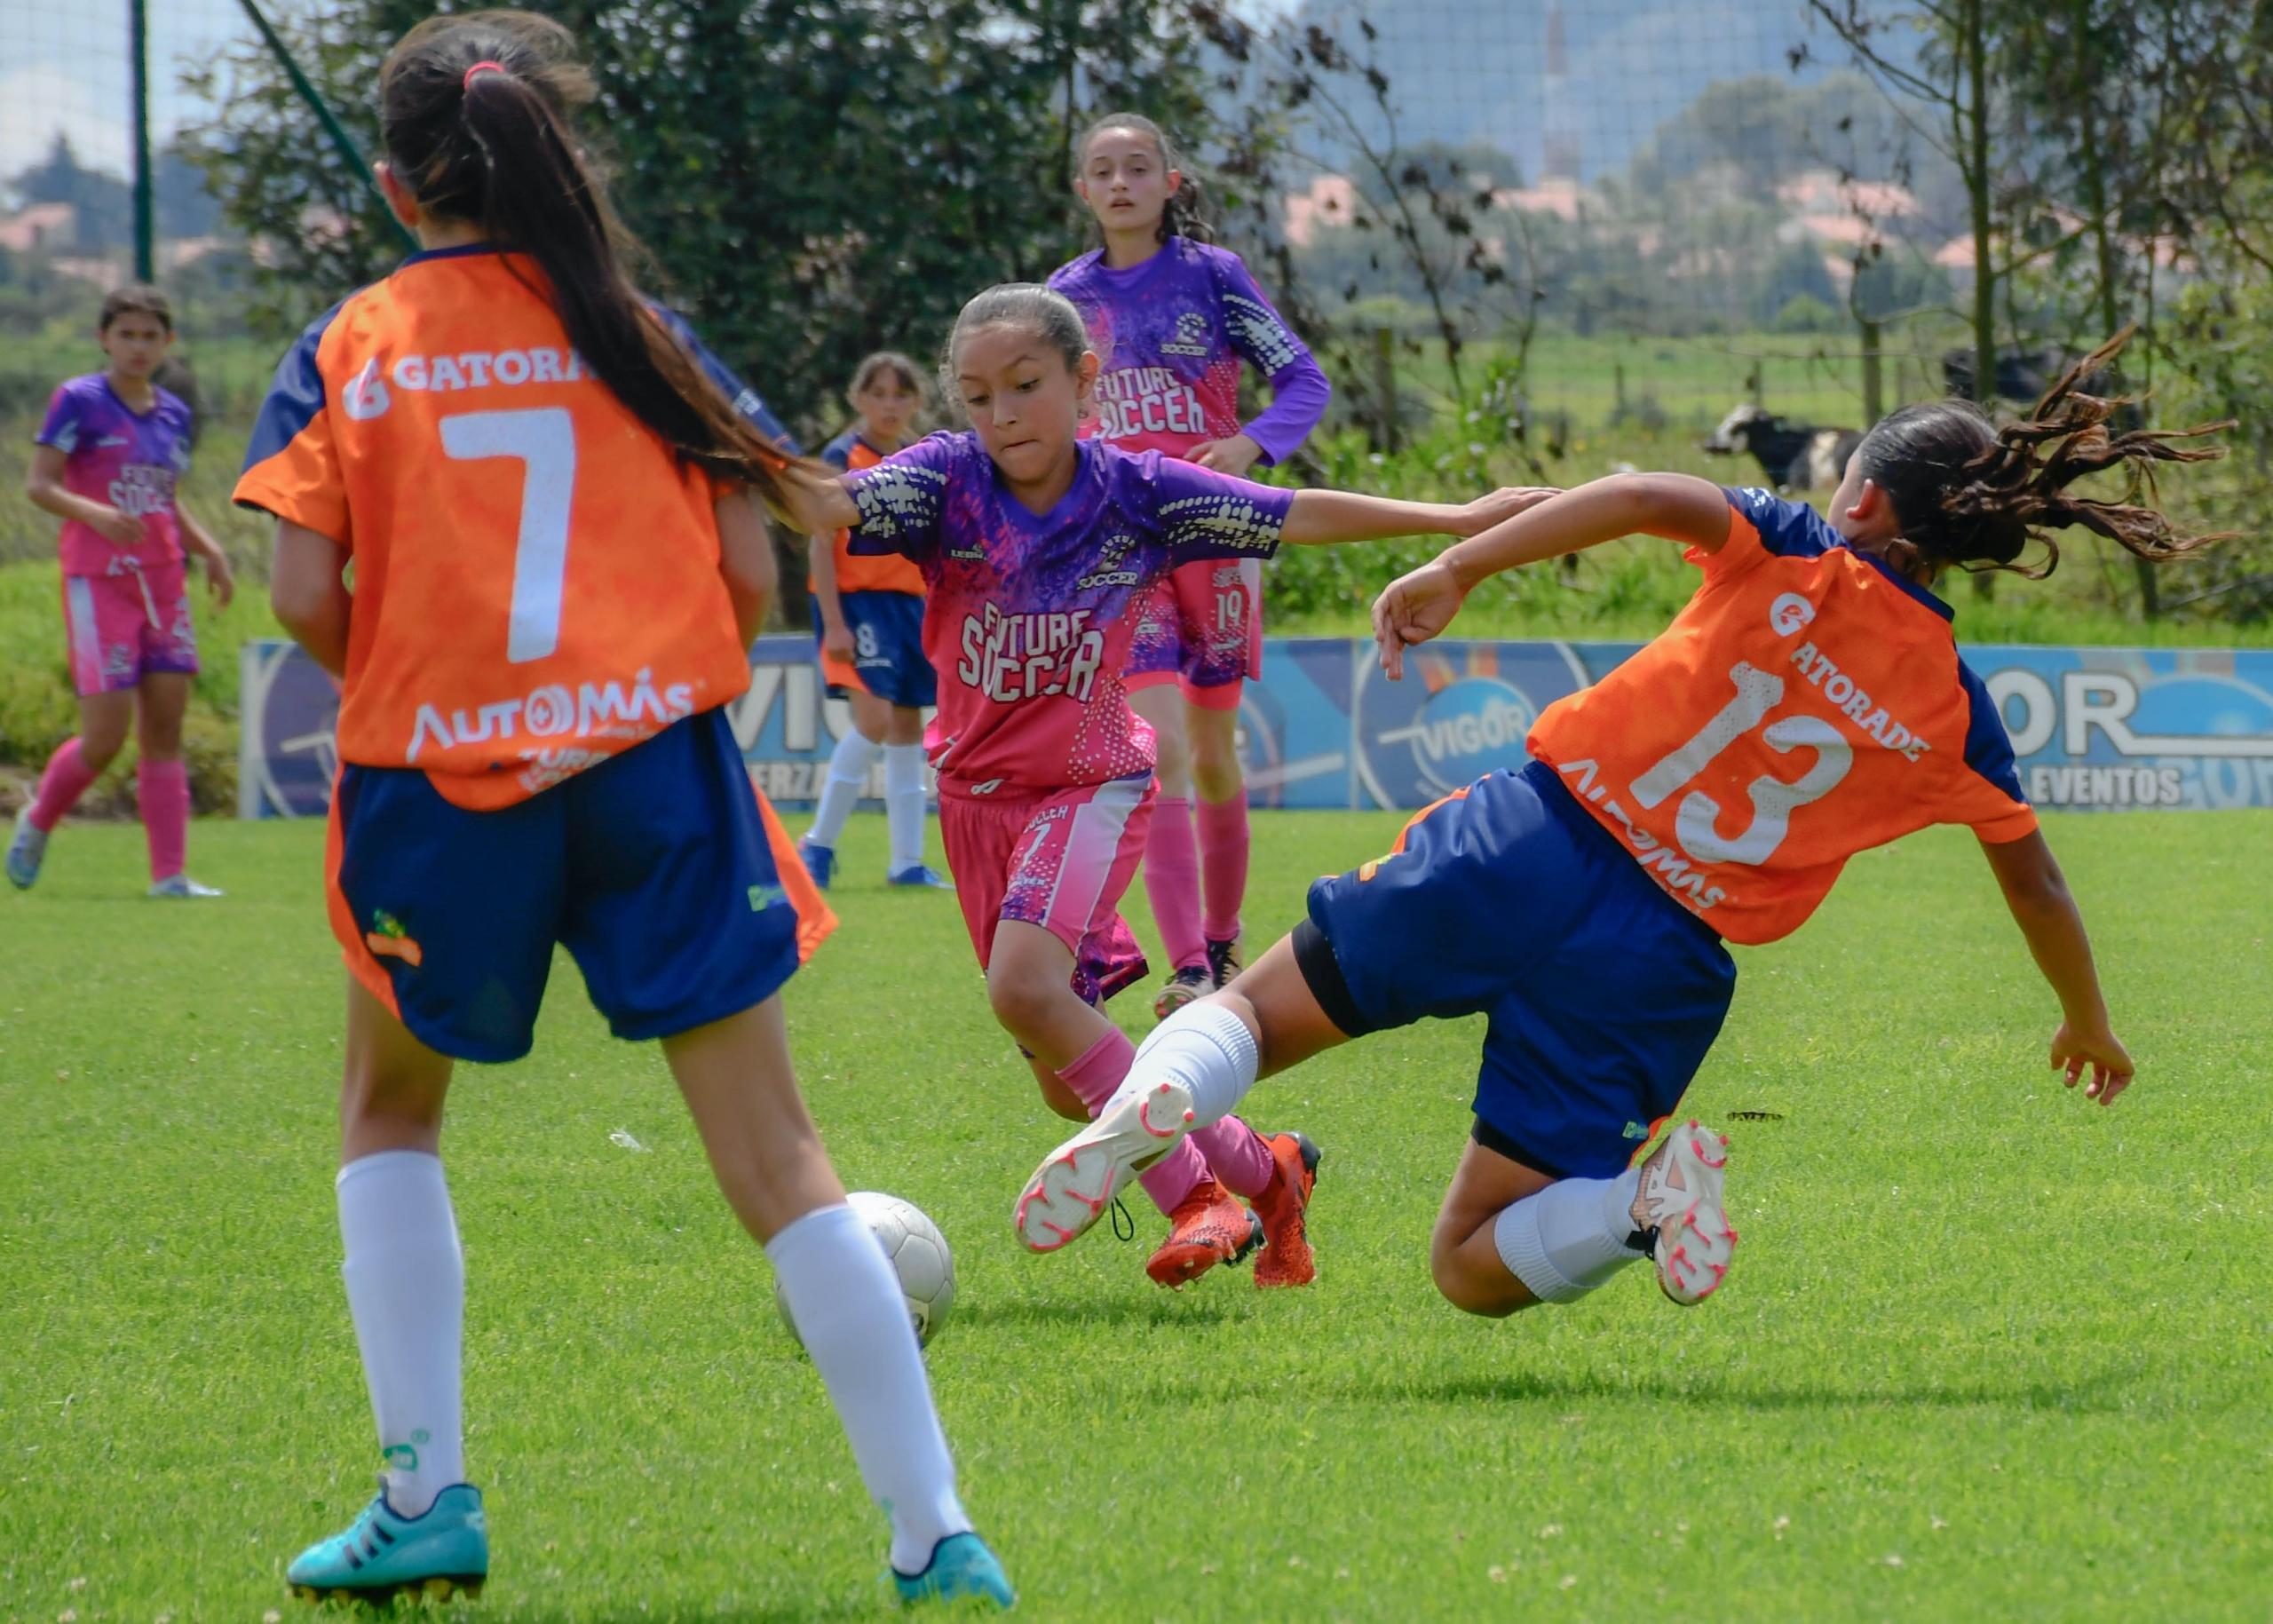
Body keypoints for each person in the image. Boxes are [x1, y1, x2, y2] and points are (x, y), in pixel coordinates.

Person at [231, 12, 1009, 1607]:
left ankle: (426, 1492)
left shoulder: (353, 339)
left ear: (395, 184)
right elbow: (745, 570)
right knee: (783, 1154)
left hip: (438, 782)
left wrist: (436, 681)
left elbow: (303, 583)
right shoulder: (633, 328)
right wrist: (641, 694)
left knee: (392, 1112)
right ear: (550, 157)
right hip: (656, 764)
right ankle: (936, 1534)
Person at [1014, 337, 2224, 1324]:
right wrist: (2087, 1020)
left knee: (1247, 1020)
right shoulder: (1958, 713)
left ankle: (1144, 1114)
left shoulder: (1796, 545)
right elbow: (2038, 886)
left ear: (1855, 496)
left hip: (1537, 838)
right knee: (1468, 1265)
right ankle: (1638, 1211)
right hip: (1663, 961)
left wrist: (1464, 567)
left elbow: (1645, 495)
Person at [778, 282, 1545, 1292]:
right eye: (974, 395)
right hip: (974, 798)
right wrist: (694, 433)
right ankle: (1265, 1171)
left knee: (1022, 987)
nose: (1000, 413)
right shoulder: (942, 483)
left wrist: (1457, 516)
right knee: (1066, 1084)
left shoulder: (1138, 490)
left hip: (1091, 782)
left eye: (1023, 385)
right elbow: (827, 501)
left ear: (1082, 379)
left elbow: (1289, 512)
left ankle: (1197, 1200)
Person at [1050, 112, 1332, 1017]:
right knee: (1159, 749)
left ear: (1171, 184)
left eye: (1139, 166)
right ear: (1083, 191)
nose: (1122, 180)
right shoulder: (1061, 299)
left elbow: (1304, 381)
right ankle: (1191, 969)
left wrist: (1251, 447)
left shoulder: (1213, 278)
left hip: (1216, 532)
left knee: (1212, 753)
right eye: (1104, 168)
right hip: (1121, 541)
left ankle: (1220, 937)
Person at [11, 284, 237, 898]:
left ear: (169, 343)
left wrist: (210, 549)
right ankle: (38, 819)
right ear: (103, 338)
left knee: (164, 729)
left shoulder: (174, 413)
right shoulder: (78, 401)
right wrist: (95, 514)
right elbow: (39, 484)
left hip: (163, 583)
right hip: (99, 583)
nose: (138, 346)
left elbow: (166, 499)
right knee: (105, 737)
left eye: (150, 336)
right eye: (126, 334)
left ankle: (170, 877)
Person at [798, 350, 951, 891]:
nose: (890, 404)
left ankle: (907, 862)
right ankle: (815, 846)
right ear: (858, 399)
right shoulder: (845, 455)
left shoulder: (919, 456)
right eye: (878, 393)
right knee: (874, 722)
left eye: (901, 394)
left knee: (909, 728)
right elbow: (819, 538)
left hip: (909, 605)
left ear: (915, 401)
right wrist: (834, 621)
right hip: (858, 604)